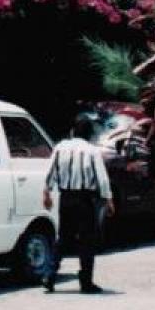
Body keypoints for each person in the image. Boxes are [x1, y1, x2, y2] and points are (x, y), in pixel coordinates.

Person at [41, 112, 115, 294]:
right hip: (84, 199)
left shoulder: (60, 148)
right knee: (87, 240)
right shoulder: (92, 151)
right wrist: (108, 200)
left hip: (65, 198)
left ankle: (49, 275)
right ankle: (86, 282)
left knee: (63, 237)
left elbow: (50, 172)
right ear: (89, 134)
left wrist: (46, 193)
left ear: (73, 131)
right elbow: (102, 179)